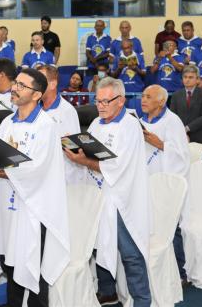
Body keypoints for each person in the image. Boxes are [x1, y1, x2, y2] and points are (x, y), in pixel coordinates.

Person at [0, 68, 69, 307]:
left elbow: (37, 169)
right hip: (9, 206)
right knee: (10, 265)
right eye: (15, 83)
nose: (14, 88)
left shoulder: (46, 126)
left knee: (34, 272)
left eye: (22, 86)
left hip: (34, 210)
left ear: (37, 94)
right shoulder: (8, 121)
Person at [64, 77, 151, 306]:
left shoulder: (130, 126)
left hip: (122, 199)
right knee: (98, 245)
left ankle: (142, 300)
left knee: (130, 252)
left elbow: (117, 166)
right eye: (98, 101)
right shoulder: (95, 124)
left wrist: (84, 161)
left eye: (106, 101)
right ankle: (107, 291)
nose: (100, 106)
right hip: (98, 194)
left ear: (120, 101)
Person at [139, 85, 190, 285]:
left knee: (170, 227)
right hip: (144, 181)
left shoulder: (173, 121)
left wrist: (160, 144)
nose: (143, 100)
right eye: (142, 96)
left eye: (148, 97)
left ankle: (180, 273)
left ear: (161, 101)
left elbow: (183, 155)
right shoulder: (140, 122)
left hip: (166, 183)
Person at [38, 65, 82, 184]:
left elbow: (73, 148)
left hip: (62, 178)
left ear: (52, 84)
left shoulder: (67, 111)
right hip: (40, 175)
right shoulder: (34, 108)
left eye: (40, 80)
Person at [169, 65, 202, 143]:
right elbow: (173, 116)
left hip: (200, 136)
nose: (187, 80)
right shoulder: (176, 95)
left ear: (198, 79)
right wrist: (180, 130)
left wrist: (187, 128)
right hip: (181, 136)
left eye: (190, 77)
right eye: (185, 77)